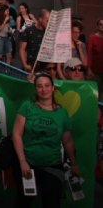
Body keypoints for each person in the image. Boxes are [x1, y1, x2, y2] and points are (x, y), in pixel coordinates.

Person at [11, 73, 79, 208]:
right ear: (36, 89)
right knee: (23, 203)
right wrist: (23, 162)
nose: (44, 89)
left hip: (52, 166)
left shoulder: (62, 113)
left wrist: (74, 163)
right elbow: (16, 135)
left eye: (47, 86)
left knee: (52, 203)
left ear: (53, 88)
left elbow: (67, 141)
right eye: (39, 86)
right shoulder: (27, 106)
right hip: (28, 165)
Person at [87, 18, 103, 96]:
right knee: (96, 93)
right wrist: (89, 69)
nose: (102, 26)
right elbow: (89, 54)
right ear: (97, 26)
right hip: (95, 72)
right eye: (100, 24)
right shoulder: (92, 38)